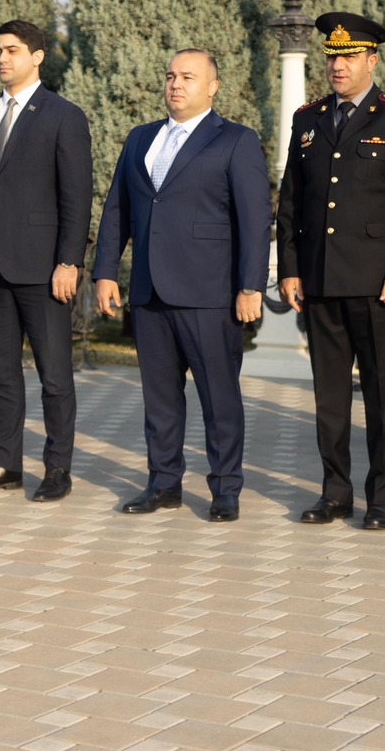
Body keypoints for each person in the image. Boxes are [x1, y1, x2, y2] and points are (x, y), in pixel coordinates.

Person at [93, 50, 269, 520]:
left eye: (188, 77)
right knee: (160, 401)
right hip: (149, 293)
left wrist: (250, 286)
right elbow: (117, 209)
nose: (175, 84)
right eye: (171, 75)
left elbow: (254, 220)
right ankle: (163, 483)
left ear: (212, 87)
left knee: (219, 399)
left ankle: (225, 489)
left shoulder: (235, 140)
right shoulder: (141, 138)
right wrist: (105, 272)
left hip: (210, 295)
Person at [277, 16, 385, 530]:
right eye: (331, 56)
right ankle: (335, 492)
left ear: (371, 60)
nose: (337, 66)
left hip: (378, 284)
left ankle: (381, 499)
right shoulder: (308, 117)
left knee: (384, 398)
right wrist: (290, 268)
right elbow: (291, 202)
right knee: (329, 397)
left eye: (348, 57)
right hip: (320, 280)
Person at [0, 21, 92, 502]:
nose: (2, 58)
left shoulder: (63, 115)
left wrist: (69, 261)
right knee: (1, 374)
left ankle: (57, 469)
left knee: (55, 376)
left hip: (43, 268)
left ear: (37, 56)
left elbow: (76, 195)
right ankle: (5, 463)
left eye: (12, 50)